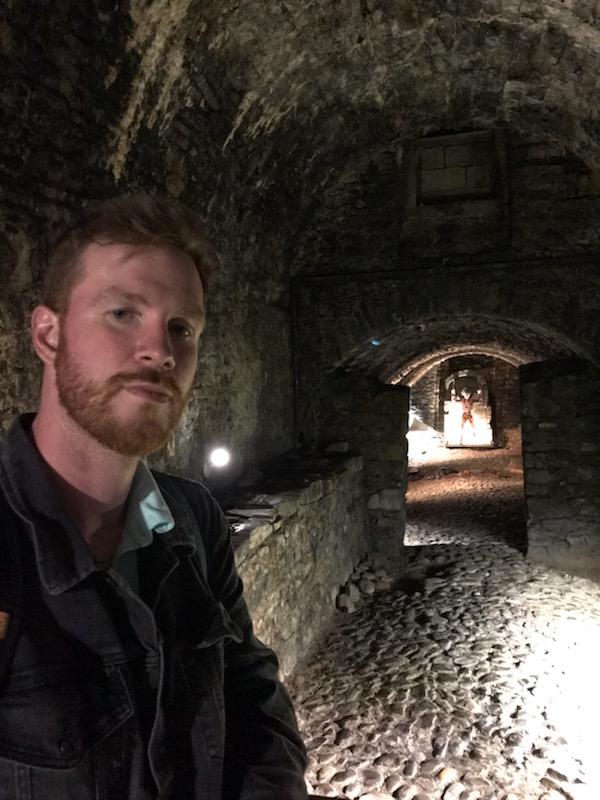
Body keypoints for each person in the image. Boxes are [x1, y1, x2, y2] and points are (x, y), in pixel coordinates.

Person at [0, 195, 308, 799]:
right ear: (48, 334)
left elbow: (250, 692)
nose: (161, 351)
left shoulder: (192, 518)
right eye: (123, 313)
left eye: (181, 329)